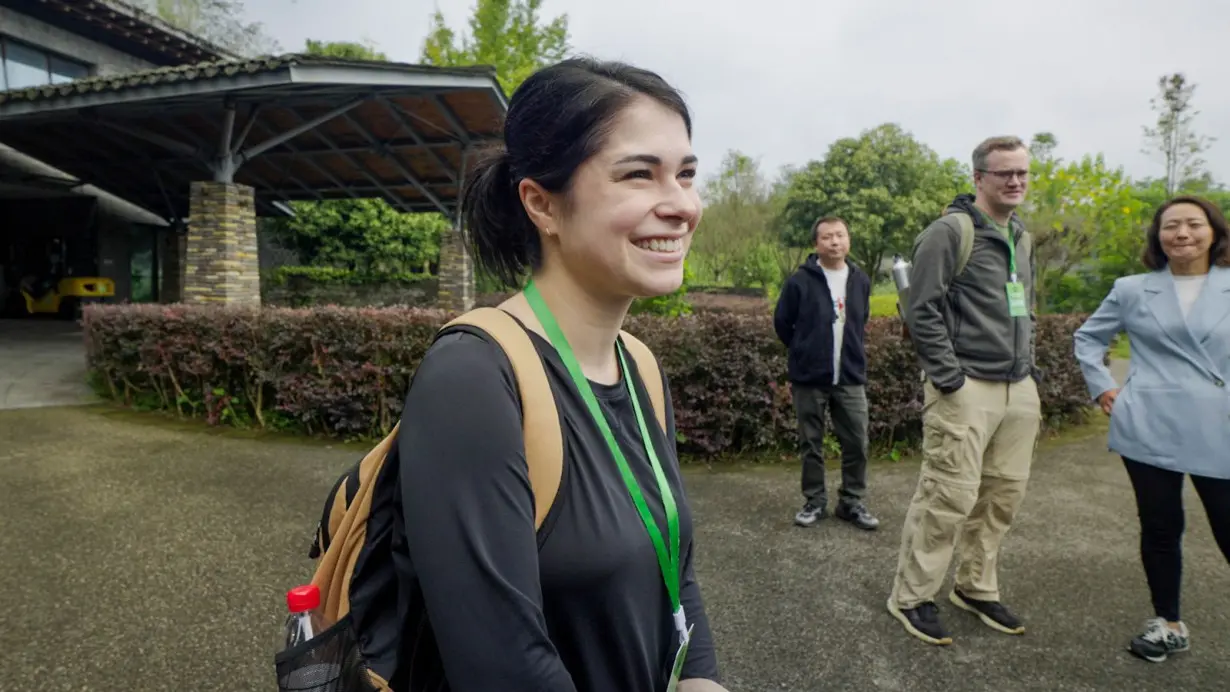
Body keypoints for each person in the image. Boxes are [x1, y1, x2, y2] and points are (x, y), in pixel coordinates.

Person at [377, 58, 726, 691]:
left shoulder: (639, 365)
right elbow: (502, 668)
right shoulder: (474, 379)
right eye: (639, 175)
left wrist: (700, 678)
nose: (680, 206)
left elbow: (670, 567)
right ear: (543, 204)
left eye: (686, 175)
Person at [887, 135, 1042, 646]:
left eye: (1021, 172)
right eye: (1004, 174)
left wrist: (1030, 368)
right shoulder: (949, 232)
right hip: (966, 385)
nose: (1015, 181)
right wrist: (949, 377)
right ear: (979, 178)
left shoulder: (1020, 235)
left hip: (1017, 388)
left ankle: (975, 586)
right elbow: (920, 308)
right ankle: (912, 596)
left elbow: (1024, 308)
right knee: (947, 495)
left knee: (1002, 496)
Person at [1073, 195, 1230, 664]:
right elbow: (1088, 337)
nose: (1182, 234)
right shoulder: (1132, 288)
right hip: (1149, 422)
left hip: (1219, 424)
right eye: (1171, 226)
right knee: (1160, 527)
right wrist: (1103, 387)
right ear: (1157, 237)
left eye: (1194, 225)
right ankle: (1168, 623)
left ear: (1214, 232)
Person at [773, 216, 879, 531]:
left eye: (840, 235)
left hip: (849, 376)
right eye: (827, 237)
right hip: (810, 377)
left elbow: (862, 321)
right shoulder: (799, 281)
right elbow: (783, 322)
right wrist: (804, 351)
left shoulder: (860, 279)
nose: (834, 242)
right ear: (815, 243)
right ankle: (814, 502)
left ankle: (851, 502)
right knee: (811, 443)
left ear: (848, 240)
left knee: (857, 441)